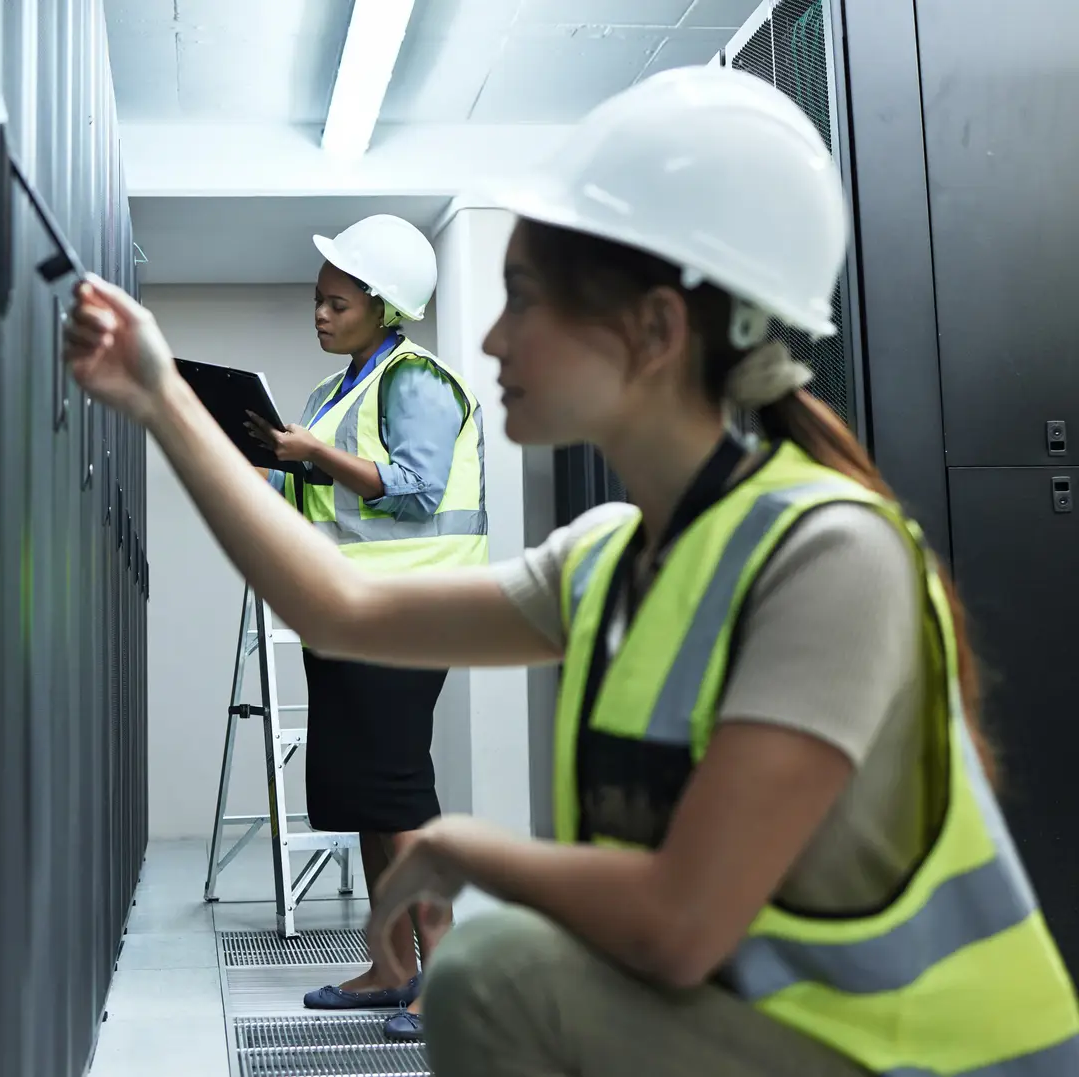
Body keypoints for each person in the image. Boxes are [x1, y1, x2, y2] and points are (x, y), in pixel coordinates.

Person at [62, 66, 1079, 1076]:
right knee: (501, 978)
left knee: (493, 969)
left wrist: (461, 848)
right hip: (754, 1029)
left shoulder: (828, 556)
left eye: (523, 300)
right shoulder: (606, 559)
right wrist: (158, 396)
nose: (491, 337)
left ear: (655, 331)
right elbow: (340, 608)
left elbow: (678, 924)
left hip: (916, 1058)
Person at [240, 214, 488, 1041]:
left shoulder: (417, 382)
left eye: (336, 302)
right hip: (349, 612)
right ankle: (389, 966)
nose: (319, 313)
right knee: (370, 801)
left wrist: (311, 453)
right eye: (317, 299)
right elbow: (318, 499)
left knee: (400, 797)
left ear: (383, 305)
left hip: (408, 614)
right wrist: (262, 463)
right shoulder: (331, 394)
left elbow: (414, 489)